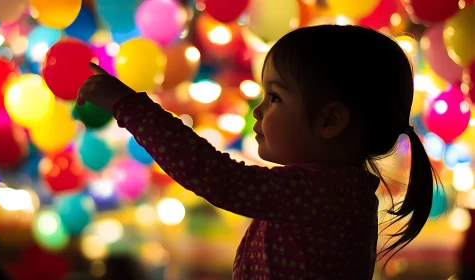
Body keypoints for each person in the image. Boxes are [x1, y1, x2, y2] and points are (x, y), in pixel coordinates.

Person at [77, 25, 441, 279]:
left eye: (275, 97)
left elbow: (215, 175)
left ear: (330, 121)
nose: (258, 110)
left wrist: (129, 107)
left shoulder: (321, 193)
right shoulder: (337, 190)